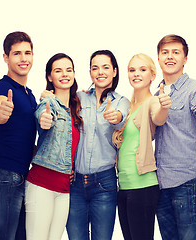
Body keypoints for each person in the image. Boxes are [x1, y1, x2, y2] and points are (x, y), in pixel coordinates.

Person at [154, 34, 196, 240]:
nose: (170, 57)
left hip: (187, 181)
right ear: (158, 57)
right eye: (165, 52)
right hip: (161, 183)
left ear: (185, 59)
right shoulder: (157, 93)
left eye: (176, 52)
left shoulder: (194, 89)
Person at [66, 50, 130, 240]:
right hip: (75, 183)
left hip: (104, 183)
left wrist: (115, 117)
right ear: (90, 72)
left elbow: (120, 118)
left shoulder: (122, 101)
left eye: (105, 67)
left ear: (114, 71)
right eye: (95, 68)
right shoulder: (78, 98)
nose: (100, 72)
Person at [0, 31, 37, 240]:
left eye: (28, 53)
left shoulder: (28, 94)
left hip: (21, 176)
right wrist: (0, 112)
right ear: (6, 57)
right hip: (4, 174)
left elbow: (24, 137)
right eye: (17, 54)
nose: (23, 59)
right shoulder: (2, 88)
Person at [113, 53, 171, 240]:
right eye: (132, 70)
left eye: (142, 69)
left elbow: (158, 118)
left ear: (152, 75)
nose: (136, 74)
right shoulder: (126, 106)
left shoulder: (153, 101)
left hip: (143, 186)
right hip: (123, 187)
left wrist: (164, 107)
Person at [25, 53, 82, 240]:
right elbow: (43, 115)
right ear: (50, 76)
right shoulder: (48, 102)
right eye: (58, 71)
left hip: (64, 189)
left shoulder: (75, 108)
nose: (64, 74)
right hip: (42, 185)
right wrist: (45, 119)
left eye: (69, 70)